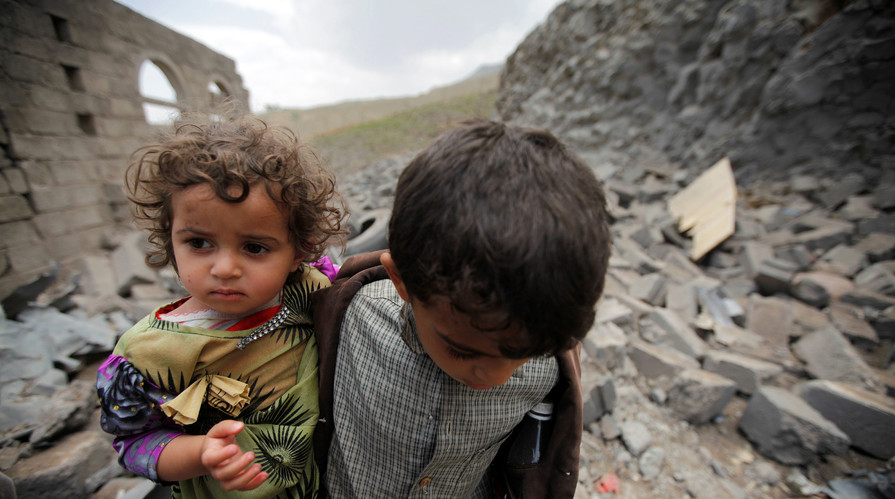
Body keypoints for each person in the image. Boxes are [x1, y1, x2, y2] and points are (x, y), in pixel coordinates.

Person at [311, 119, 611, 498]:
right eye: (463, 349)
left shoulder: (548, 368)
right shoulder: (351, 319)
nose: (498, 377)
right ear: (401, 281)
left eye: (522, 356)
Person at [96, 114, 346, 498]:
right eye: (198, 243)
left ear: (298, 251)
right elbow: (132, 443)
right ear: (170, 239)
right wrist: (201, 453)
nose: (225, 269)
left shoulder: (308, 287)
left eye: (254, 247)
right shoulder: (145, 355)